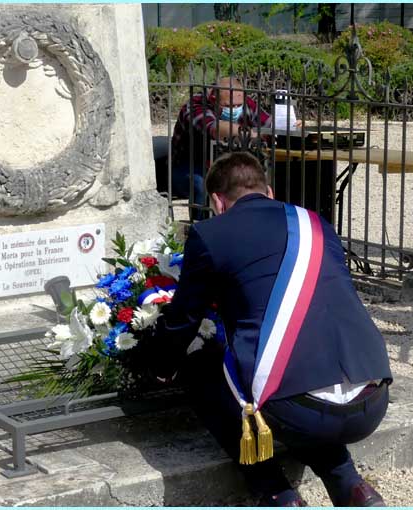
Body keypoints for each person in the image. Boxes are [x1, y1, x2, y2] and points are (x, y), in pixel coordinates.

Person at [149, 151, 393, 507]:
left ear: (217, 201)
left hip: (300, 409)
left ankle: (277, 493)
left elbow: (185, 317)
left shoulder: (210, 234)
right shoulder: (314, 223)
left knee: (203, 369)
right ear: (270, 192)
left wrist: (161, 366)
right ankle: (352, 487)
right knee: (302, 388)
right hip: (371, 397)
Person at [170, 77, 271, 216]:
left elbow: (269, 123)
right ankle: (201, 223)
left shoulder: (243, 100)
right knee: (201, 185)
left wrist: (288, 123)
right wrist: (250, 133)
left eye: (238, 105)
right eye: (229, 106)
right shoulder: (195, 106)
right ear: (213, 99)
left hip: (223, 164)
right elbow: (215, 128)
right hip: (189, 167)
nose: (235, 109)